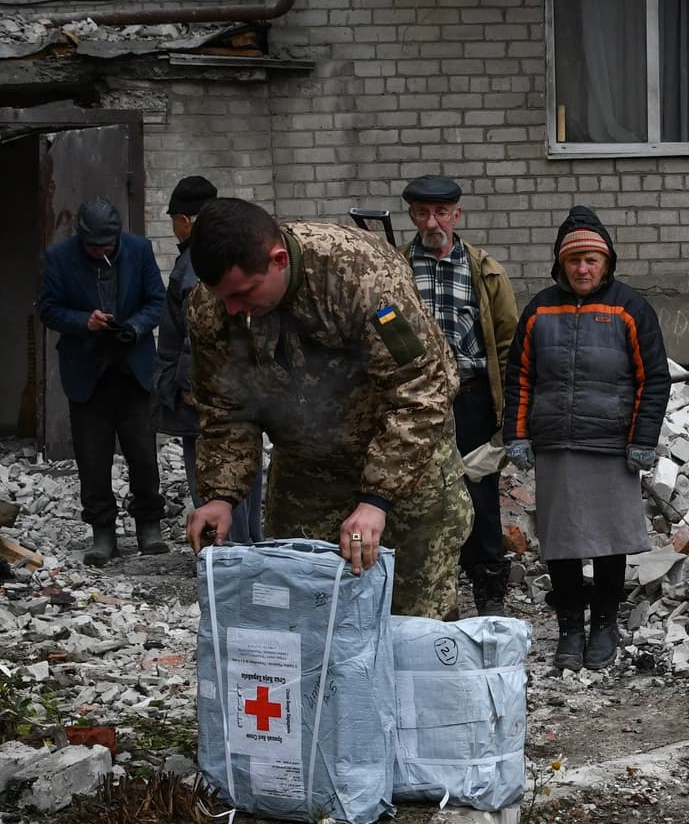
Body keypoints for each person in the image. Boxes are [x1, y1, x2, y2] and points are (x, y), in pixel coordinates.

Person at [182, 197, 473, 620]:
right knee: (303, 611)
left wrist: (377, 499)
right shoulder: (213, 308)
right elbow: (224, 407)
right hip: (307, 468)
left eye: (244, 293)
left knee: (413, 619)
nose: (233, 309)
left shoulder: (361, 275)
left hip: (406, 463)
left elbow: (422, 388)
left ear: (279, 260)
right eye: (222, 297)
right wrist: (221, 496)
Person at [505, 207, 669, 672]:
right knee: (562, 543)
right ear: (561, 264)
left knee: (609, 541)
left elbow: (653, 378)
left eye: (591, 260)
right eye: (574, 260)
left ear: (606, 263)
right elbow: (519, 377)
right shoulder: (540, 309)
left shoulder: (630, 308)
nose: (582, 269)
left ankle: (604, 625)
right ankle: (570, 628)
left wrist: (642, 439)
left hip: (610, 445)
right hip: (556, 444)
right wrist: (517, 433)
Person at [399, 174, 519, 616]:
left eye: (442, 213)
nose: (433, 222)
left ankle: (489, 592)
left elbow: (507, 344)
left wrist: (509, 413)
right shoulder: (395, 268)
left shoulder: (485, 271)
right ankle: (430, 591)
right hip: (416, 401)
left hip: (471, 400)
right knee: (418, 495)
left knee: (479, 493)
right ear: (412, 216)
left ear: (457, 215)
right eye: (423, 213)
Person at [37, 197, 167, 566]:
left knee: (143, 455)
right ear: (81, 240)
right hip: (87, 374)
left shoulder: (139, 250)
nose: (101, 252)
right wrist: (84, 321)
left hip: (132, 372)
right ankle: (102, 532)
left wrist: (136, 326)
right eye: (94, 247)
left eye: (107, 246)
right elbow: (48, 309)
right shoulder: (59, 257)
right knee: (92, 459)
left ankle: (149, 525)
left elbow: (156, 301)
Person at [154, 175, 262, 543]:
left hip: (206, 392)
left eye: (174, 220)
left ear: (185, 221)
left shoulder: (195, 264)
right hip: (238, 386)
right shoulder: (227, 254)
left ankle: (229, 553)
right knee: (243, 465)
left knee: (213, 475)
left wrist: (187, 384)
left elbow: (193, 332)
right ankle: (248, 547)